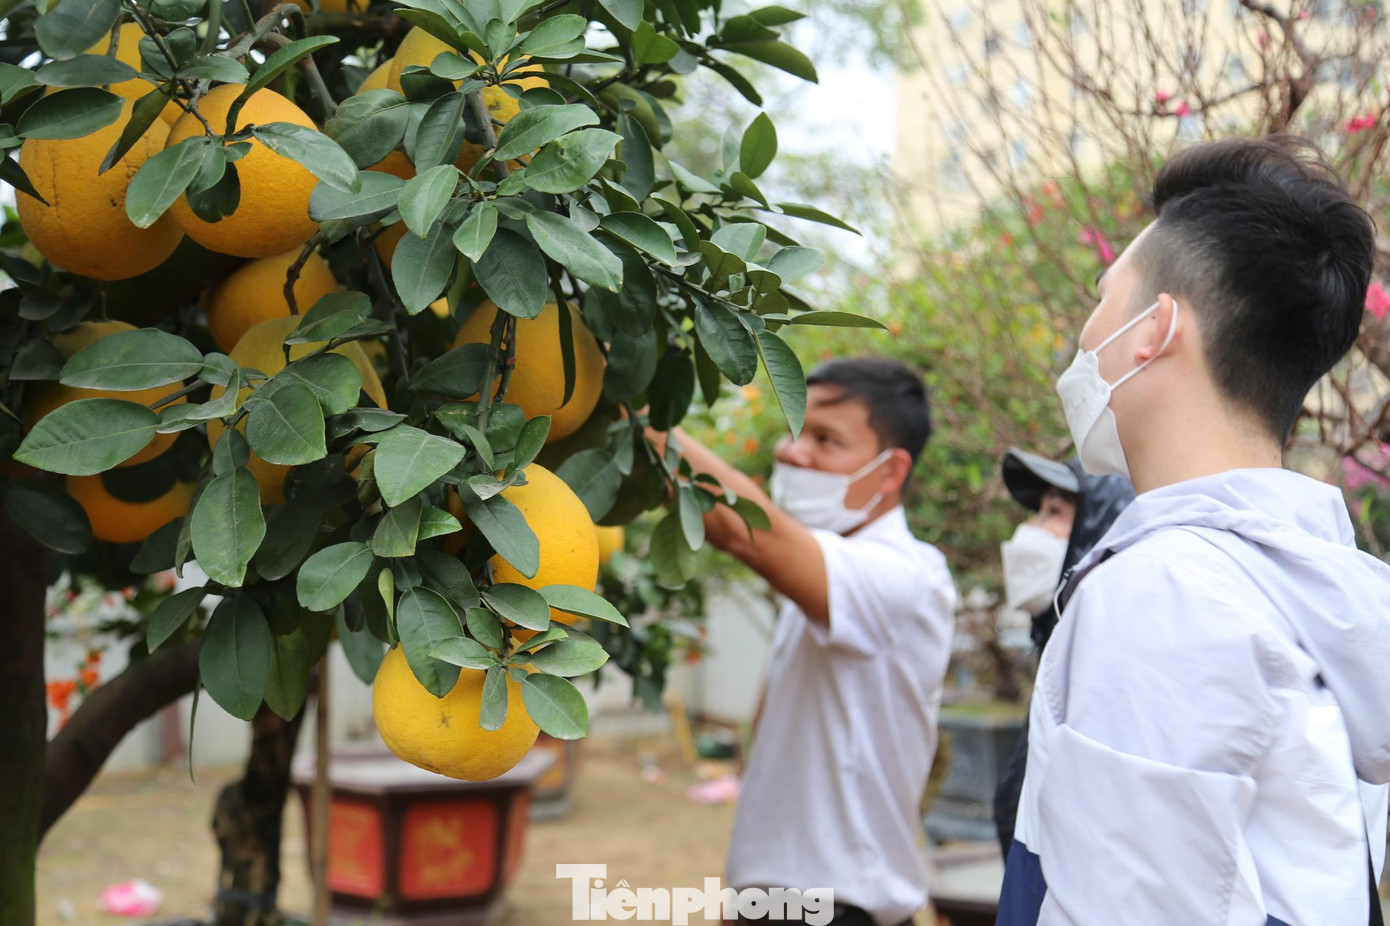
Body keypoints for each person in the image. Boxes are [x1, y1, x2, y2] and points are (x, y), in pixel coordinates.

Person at [997, 136, 1390, 925]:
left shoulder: (1164, 593)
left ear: (1152, 330)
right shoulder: (1315, 585)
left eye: (1103, 297)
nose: (1084, 332)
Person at [647, 357, 956, 926]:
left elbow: (742, 529)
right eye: (793, 430)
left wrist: (631, 410)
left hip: (840, 907)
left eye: (825, 439)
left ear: (890, 473)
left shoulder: (906, 576)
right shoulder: (823, 580)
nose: (792, 453)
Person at [990, 448, 1134, 857]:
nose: (1030, 529)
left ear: (1097, 528)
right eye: (1038, 511)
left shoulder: (1106, 671)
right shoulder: (1059, 655)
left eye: (1054, 511)